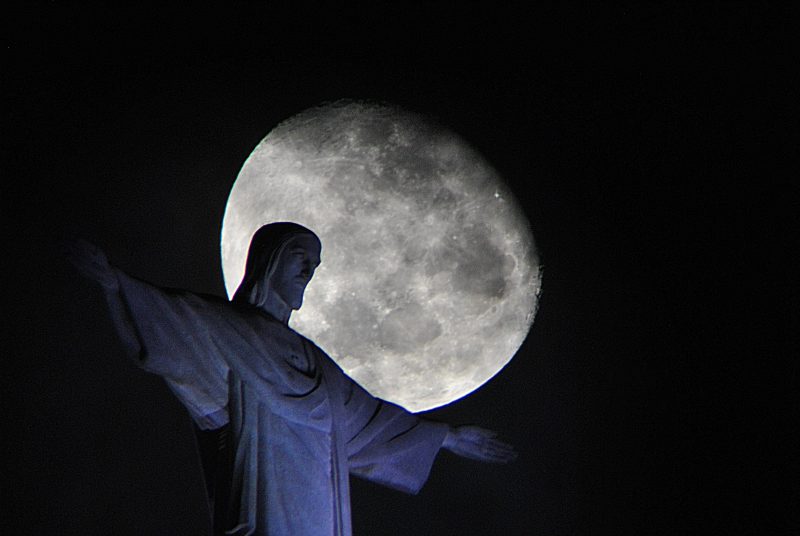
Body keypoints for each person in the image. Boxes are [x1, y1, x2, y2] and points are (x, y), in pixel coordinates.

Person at [68, 222, 516, 536]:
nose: (308, 272)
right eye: (300, 259)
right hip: (262, 506)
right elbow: (171, 324)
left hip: (320, 513)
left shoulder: (316, 363)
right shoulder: (229, 328)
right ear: (270, 262)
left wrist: (447, 436)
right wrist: (114, 284)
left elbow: (368, 418)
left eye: (314, 265)